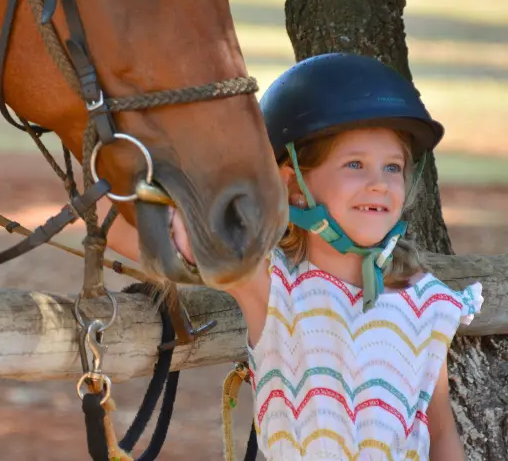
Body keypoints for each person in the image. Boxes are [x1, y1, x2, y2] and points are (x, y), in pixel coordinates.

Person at [105, 53, 483, 460]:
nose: (379, 184)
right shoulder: (272, 286)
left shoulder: (426, 302)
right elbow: (116, 227)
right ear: (294, 185)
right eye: (355, 164)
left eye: (392, 167)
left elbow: (441, 431)